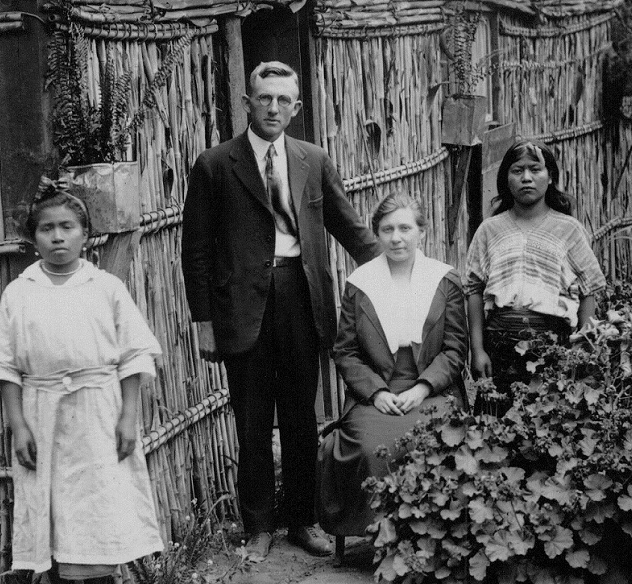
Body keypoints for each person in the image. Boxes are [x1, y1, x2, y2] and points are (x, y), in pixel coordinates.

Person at [181, 61, 380, 560]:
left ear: (297, 107)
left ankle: (301, 519)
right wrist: (204, 322)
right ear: (248, 103)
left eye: (283, 100)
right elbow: (196, 251)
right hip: (242, 305)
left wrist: (399, 269)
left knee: (299, 416)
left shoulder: (313, 158)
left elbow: (349, 227)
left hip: (301, 295)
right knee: (250, 418)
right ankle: (258, 525)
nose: (273, 108)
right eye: (264, 98)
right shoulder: (215, 163)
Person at [0, 178, 163, 583]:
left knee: (99, 511)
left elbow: (134, 355)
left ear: (85, 234)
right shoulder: (20, 292)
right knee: (53, 516)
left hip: (98, 414)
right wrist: (18, 427)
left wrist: (128, 418)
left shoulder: (106, 288)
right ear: (33, 238)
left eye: (67, 227)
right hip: (42, 414)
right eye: (46, 229)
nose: (57, 237)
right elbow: (4, 366)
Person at [316, 192, 468, 562]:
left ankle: (427, 533)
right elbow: (346, 351)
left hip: (433, 389)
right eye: (387, 230)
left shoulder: (444, 280)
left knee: (430, 440)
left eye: (405, 228)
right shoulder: (361, 282)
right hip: (377, 391)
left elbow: (454, 350)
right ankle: (381, 534)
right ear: (377, 234)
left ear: (421, 232)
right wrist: (377, 392)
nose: (397, 237)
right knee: (368, 448)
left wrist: (422, 387)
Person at [465, 141, 606, 401]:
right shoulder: (489, 230)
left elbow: (590, 289)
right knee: (498, 425)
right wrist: (478, 350)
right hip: (499, 349)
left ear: (550, 177)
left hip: (554, 348)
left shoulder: (569, 230)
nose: (526, 178)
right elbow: (474, 290)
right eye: (517, 170)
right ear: (505, 179)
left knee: (550, 424)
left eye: (535, 169)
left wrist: (584, 349)